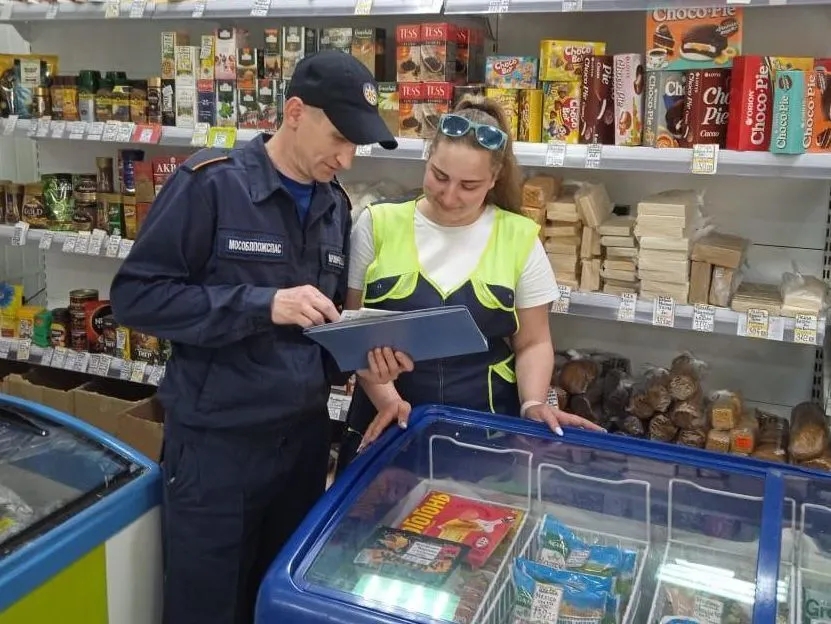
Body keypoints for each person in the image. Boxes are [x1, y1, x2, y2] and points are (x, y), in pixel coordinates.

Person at [109, 50, 412, 624]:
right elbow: (137, 297)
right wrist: (264, 304)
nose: (346, 158)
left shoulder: (334, 207)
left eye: (358, 145)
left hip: (300, 445)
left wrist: (366, 354)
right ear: (294, 111)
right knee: (208, 607)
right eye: (339, 137)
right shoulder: (211, 185)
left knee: (280, 604)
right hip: (218, 449)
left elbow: (318, 329)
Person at [336, 96, 603, 473]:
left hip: (487, 435)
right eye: (439, 176)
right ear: (427, 159)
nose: (449, 196)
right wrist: (386, 398)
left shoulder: (519, 238)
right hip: (387, 426)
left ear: (494, 180)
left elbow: (533, 341)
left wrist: (532, 404)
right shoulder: (377, 224)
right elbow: (353, 333)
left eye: (469, 185)